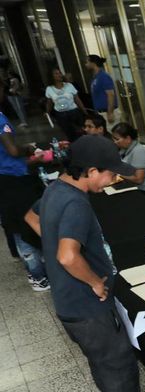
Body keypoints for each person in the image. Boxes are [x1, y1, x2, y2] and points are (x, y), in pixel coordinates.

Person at [24, 135, 145, 392]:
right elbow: (67, 256)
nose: (114, 179)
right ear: (91, 171)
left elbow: (31, 217)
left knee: (102, 359)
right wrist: (93, 281)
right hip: (86, 303)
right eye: (110, 173)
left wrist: (53, 244)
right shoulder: (76, 203)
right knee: (117, 361)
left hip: (69, 301)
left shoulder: (56, 188)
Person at [0, 93, 49, 291]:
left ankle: (34, 270)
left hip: (4, 178)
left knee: (14, 224)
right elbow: (12, 151)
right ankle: (37, 275)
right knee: (24, 224)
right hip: (13, 179)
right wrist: (28, 149)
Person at [111, 122, 145, 201]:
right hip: (136, 186)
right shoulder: (125, 149)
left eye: (117, 139)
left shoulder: (138, 151)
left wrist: (118, 174)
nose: (114, 142)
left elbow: (139, 180)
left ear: (128, 139)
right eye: (114, 139)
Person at [45, 68, 85, 141]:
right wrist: (47, 112)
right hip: (61, 115)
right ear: (51, 76)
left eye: (60, 73)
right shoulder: (49, 89)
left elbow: (77, 99)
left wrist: (84, 110)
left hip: (73, 112)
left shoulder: (69, 85)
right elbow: (49, 102)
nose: (59, 75)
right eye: (56, 73)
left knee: (80, 133)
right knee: (69, 135)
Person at [85, 55, 120, 129]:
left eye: (87, 62)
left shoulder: (103, 76)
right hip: (101, 113)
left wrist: (110, 113)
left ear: (93, 63)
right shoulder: (95, 78)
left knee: (112, 133)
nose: (86, 64)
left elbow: (110, 95)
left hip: (108, 112)